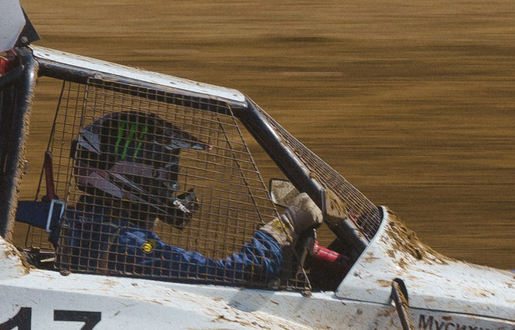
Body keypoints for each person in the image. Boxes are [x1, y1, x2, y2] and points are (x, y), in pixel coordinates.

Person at [53, 109, 322, 287]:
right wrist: (282, 227)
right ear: (130, 170)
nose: (172, 182)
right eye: (165, 168)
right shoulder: (130, 246)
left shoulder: (84, 224)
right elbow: (234, 275)